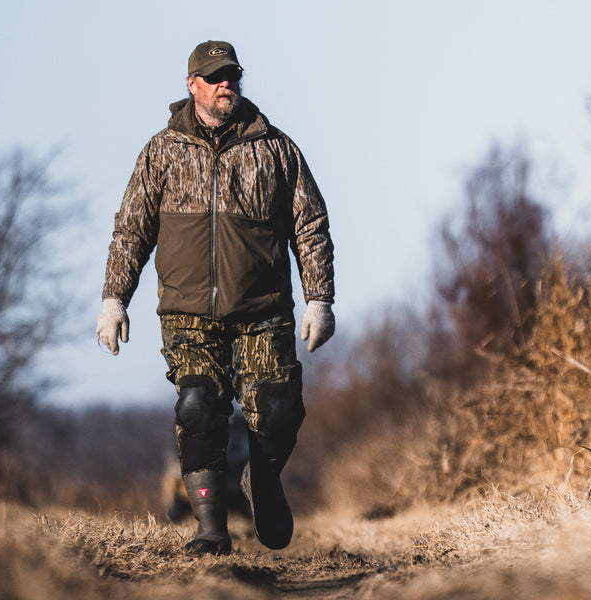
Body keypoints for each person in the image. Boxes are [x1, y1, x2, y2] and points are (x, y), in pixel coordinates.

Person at [96, 40, 335, 556]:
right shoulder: (161, 152)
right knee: (199, 405)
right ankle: (209, 527)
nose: (226, 84)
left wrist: (320, 299)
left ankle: (263, 481)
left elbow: (310, 225)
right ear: (193, 85)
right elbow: (131, 231)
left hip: (262, 311)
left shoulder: (275, 148)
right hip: (187, 314)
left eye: (232, 75)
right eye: (215, 76)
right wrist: (115, 299)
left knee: (276, 411)